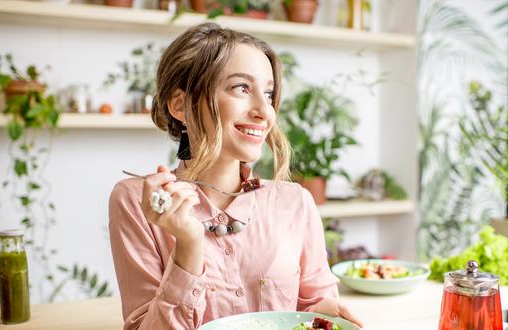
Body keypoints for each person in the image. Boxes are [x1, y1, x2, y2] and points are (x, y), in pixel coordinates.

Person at [109, 22, 362, 330]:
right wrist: (189, 244)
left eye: (268, 94)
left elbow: (308, 308)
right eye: (241, 88)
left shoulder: (295, 202)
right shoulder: (139, 202)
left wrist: (326, 313)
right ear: (180, 105)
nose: (264, 111)